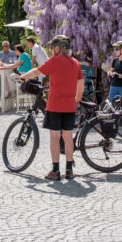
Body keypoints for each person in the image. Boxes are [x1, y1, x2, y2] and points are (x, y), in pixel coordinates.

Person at [18, 35, 84, 180]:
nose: (52, 50)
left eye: (53, 47)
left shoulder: (54, 60)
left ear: (58, 47)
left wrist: (24, 77)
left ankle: (55, 170)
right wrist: (77, 99)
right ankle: (69, 170)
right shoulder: (75, 63)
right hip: (69, 106)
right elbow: (81, 82)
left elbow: (37, 71)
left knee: (54, 137)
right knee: (67, 137)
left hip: (54, 105)